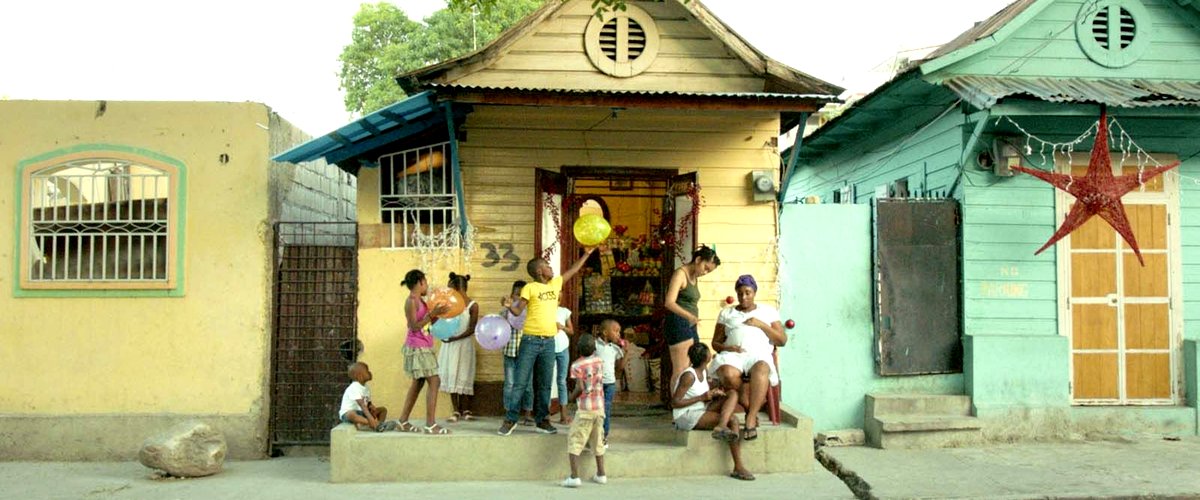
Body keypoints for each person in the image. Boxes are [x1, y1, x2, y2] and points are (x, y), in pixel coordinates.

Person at [498, 247, 596, 436]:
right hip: (530, 341)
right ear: (539, 271)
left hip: (549, 342)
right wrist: (509, 306)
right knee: (520, 382)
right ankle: (510, 419)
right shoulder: (530, 288)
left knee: (544, 384)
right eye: (547, 266)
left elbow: (573, 270)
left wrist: (586, 254)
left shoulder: (555, 284)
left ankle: (542, 420)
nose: (551, 268)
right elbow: (517, 311)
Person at [711, 274, 785, 442]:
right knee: (727, 373)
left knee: (762, 368)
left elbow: (782, 340)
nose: (743, 297)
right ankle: (747, 402)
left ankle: (750, 418)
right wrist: (727, 348)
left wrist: (761, 325)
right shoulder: (727, 313)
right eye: (740, 293)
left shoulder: (768, 311)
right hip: (733, 355)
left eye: (747, 292)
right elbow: (715, 343)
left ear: (754, 293)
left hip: (758, 355)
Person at [671, 343, 754, 481]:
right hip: (686, 415)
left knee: (732, 394)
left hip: (701, 408)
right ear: (706, 358)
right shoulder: (689, 376)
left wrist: (713, 393)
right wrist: (702, 397)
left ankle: (721, 425)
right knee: (733, 420)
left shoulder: (703, 371)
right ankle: (738, 466)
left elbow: (703, 392)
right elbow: (675, 403)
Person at [395, 269, 451, 435]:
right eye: (425, 282)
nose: (427, 285)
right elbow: (414, 326)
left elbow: (427, 322)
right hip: (418, 347)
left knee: (418, 382)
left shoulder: (421, 301)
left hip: (425, 344)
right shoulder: (411, 301)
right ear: (419, 282)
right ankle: (430, 424)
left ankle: (403, 421)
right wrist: (432, 314)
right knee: (434, 381)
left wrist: (438, 313)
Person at [663, 245, 721, 391]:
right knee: (681, 368)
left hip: (690, 324)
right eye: (705, 268)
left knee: (695, 363)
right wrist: (689, 316)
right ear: (698, 259)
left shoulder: (694, 277)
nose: (705, 272)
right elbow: (669, 302)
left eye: (708, 271)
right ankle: (676, 402)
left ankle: (689, 399)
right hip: (678, 322)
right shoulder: (680, 274)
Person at [562, 334, 608, 488]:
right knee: (598, 441)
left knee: (574, 440)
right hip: (599, 408)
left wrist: (570, 398)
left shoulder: (577, 365)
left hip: (585, 410)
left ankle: (574, 477)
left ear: (578, 349)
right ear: (594, 349)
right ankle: (601, 474)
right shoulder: (599, 361)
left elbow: (580, 387)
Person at [438, 272, 479, 423]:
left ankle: (466, 409)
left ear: (458, 288)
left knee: (464, 374)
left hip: (464, 344)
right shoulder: (450, 304)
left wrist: (456, 338)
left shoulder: (473, 306)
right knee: (452, 373)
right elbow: (443, 322)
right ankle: (455, 410)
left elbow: (472, 328)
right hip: (450, 345)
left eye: (450, 289)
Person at [500, 280, 535, 426]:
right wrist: (506, 308)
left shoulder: (531, 313)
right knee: (509, 383)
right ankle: (509, 413)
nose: (518, 298)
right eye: (516, 295)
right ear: (511, 295)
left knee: (527, 385)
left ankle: (528, 414)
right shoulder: (505, 312)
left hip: (526, 352)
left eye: (522, 296)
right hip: (509, 350)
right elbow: (499, 328)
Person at [594, 319, 624, 447]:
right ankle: (594, 435)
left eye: (619, 332)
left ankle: (604, 436)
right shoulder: (594, 345)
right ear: (605, 332)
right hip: (597, 383)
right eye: (616, 331)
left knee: (606, 409)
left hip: (610, 384)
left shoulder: (615, 349)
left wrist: (626, 351)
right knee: (596, 410)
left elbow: (621, 367)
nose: (618, 334)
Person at [339, 362, 390, 432]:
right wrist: (371, 419)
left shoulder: (366, 387)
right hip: (348, 414)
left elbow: (367, 403)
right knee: (351, 414)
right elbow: (362, 405)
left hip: (362, 412)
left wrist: (371, 406)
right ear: (360, 376)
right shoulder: (354, 387)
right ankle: (374, 424)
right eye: (367, 371)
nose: (370, 373)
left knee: (383, 410)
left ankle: (380, 425)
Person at [553, 305, 574, 425]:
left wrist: (562, 327)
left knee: (561, 381)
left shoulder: (564, 311)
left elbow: (571, 331)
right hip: (548, 347)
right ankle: (545, 415)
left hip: (563, 348)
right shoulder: (544, 309)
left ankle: (563, 415)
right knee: (546, 381)